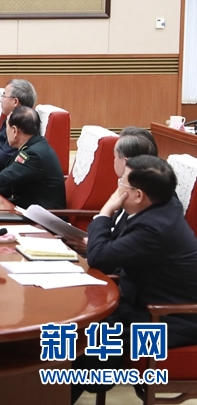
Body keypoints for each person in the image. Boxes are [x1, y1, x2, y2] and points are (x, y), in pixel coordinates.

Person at [72, 155, 197, 403]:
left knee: (84, 342)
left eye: (122, 183)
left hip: (170, 320)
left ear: (138, 195)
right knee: (77, 326)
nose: (118, 188)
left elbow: (99, 257)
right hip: (141, 304)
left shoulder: (155, 228)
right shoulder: (161, 208)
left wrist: (105, 211)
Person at [63, 126, 158, 255]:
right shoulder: (136, 185)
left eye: (114, 156)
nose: (113, 161)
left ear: (125, 162)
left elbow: (128, 248)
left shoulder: (144, 196)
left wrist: (95, 245)